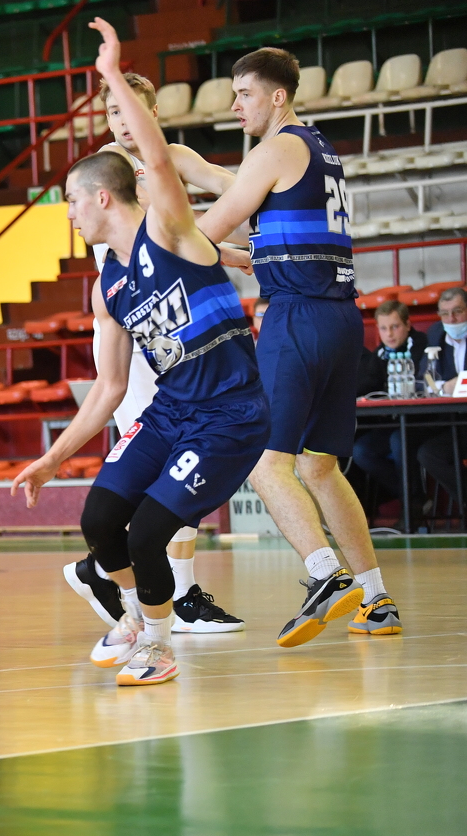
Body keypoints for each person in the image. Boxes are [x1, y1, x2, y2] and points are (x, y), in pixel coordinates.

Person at [13, 18, 270, 686]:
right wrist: (52, 459)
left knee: (149, 533)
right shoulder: (108, 288)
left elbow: (157, 162)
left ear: (102, 197)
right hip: (170, 412)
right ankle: (133, 613)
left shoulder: (170, 230)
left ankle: (158, 644)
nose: (69, 215)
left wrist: (109, 76)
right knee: (101, 518)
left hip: (229, 415)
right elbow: (107, 388)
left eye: (72, 202)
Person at [194, 46, 397, 642]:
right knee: (320, 466)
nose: (235, 106)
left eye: (245, 94)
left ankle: (325, 573)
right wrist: (233, 253)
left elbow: (211, 225)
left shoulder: (274, 149)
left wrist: (157, 239)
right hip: (341, 319)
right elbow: (279, 240)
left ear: (277, 96)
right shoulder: (319, 149)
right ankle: (376, 599)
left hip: (296, 318)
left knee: (264, 461)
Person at [61, 69, 245, 635]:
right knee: (165, 467)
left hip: (174, 322)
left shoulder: (174, 157)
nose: (122, 122)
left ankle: (159, 588)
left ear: (154, 112)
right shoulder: (108, 174)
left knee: (184, 465)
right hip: (134, 329)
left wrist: (274, 207)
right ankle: (137, 583)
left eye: (131, 110)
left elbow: (231, 187)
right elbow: (169, 234)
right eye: (113, 111)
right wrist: (233, 252)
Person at [352, 300, 425, 511]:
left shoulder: (421, 345)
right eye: (383, 328)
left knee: (398, 440)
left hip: (424, 423)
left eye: (395, 327)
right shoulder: (381, 353)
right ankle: (410, 498)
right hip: (394, 423)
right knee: (361, 451)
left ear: (408, 325)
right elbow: (368, 383)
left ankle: (413, 504)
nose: (389, 334)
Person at [416, 286, 466, 507]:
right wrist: (445, 386)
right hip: (451, 422)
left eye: (457, 311)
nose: (451, 319)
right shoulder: (437, 333)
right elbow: (423, 379)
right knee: (428, 453)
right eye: (445, 313)